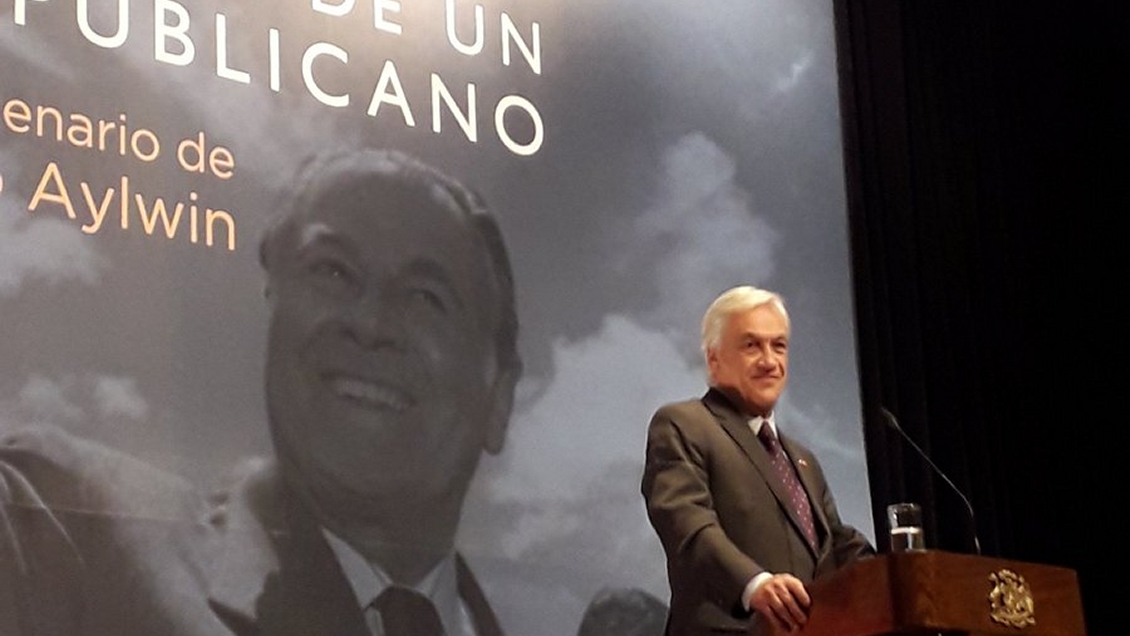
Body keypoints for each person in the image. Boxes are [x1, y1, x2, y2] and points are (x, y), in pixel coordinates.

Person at [0, 148, 522, 636]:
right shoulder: (59, 529)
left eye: (426, 297)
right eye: (332, 270)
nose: (370, 322)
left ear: (500, 399)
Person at [640, 285, 873, 635]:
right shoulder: (683, 425)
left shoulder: (803, 460)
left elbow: (838, 544)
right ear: (714, 359)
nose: (769, 361)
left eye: (778, 346)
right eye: (751, 345)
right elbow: (688, 526)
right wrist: (756, 585)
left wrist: (906, 575)